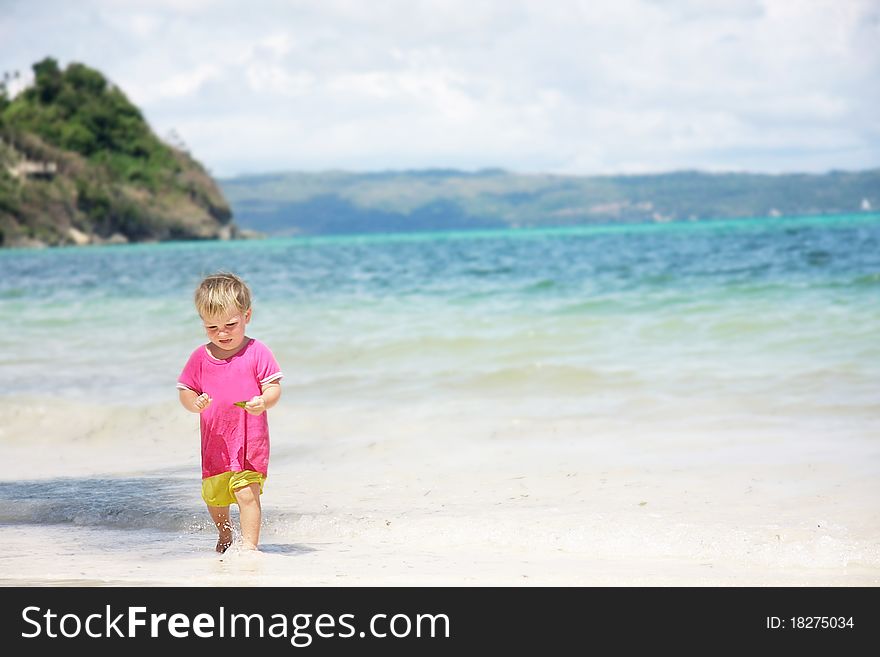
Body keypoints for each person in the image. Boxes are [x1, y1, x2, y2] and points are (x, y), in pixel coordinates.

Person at [177, 272, 283, 553]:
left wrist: (264, 401)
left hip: (249, 444)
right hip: (216, 446)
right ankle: (225, 535)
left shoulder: (257, 352)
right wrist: (193, 403)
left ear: (247, 316)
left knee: (247, 493)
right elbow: (185, 390)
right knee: (215, 498)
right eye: (212, 327)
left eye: (230, 325)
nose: (222, 333)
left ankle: (249, 548)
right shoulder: (200, 357)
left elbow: (273, 387)